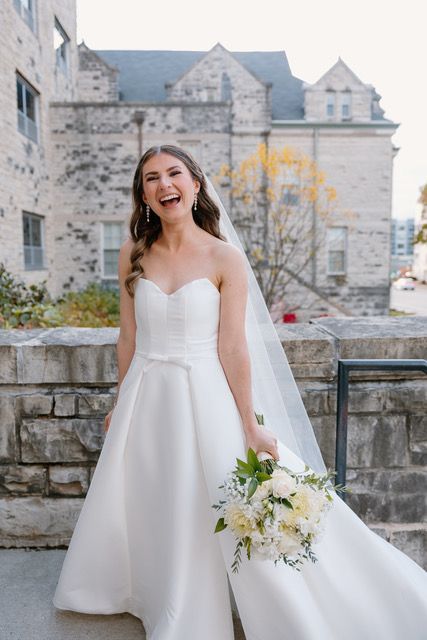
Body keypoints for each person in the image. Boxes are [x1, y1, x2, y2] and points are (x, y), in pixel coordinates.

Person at [53, 144, 427, 639]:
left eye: (174, 174)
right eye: (151, 179)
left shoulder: (224, 256)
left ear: (195, 183)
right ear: (142, 194)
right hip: (146, 395)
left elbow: (233, 345)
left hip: (203, 392)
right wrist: (121, 399)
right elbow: (128, 338)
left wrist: (250, 423)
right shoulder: (133, 253)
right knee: (152, 494)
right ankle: (152, 592)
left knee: (205, 495)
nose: (164, 185)